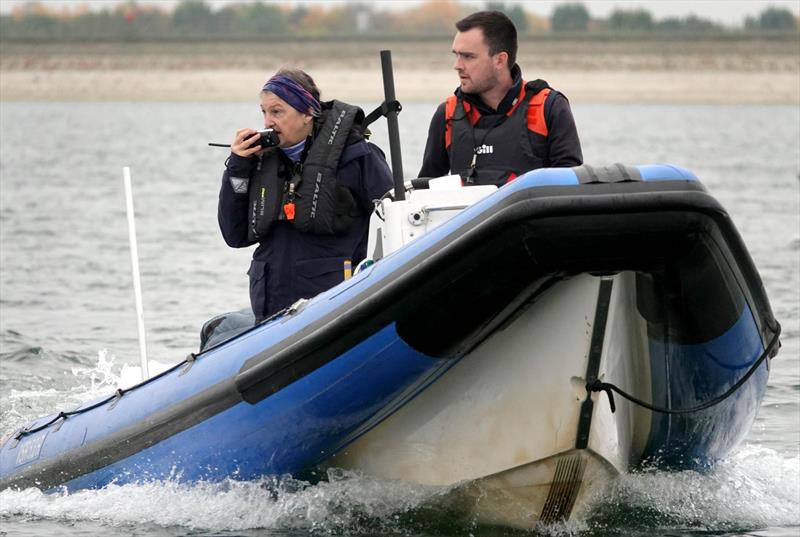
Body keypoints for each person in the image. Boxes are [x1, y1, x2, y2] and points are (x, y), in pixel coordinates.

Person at [218, 68, 394, 323]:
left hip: (336, 307)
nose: (268, 122)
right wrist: (237, 167)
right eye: (264, 112)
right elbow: (234, 235)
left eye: (277, 111)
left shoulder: (358, 156)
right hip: (271, 311)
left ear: (307, 113)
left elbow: (392, 224)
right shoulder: (256, 163)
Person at [419, 10, 583, 185]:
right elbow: (424, 191)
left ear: (500, 60)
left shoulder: (549, 107)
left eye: (468, 56)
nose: (457, 66)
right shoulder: (447, 115)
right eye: (456, 55)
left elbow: (570, 192)